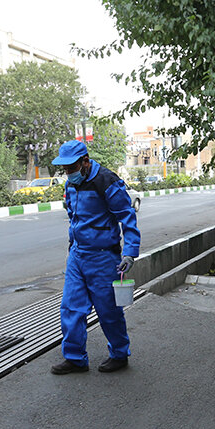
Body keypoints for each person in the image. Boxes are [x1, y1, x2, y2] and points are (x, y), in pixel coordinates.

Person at [49, 140, 140, 374]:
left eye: (72, 168)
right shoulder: (71, 184)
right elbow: (73, 216)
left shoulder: (107, 181)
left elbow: (127, 217)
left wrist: (130, 252)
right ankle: (75, 357)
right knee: (71, 307)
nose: (68, 173)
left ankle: (119, 353)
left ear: (85, 162)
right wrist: (72, 247)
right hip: (78, 255)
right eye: (65, 169)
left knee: (108, 309)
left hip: (102, 257)